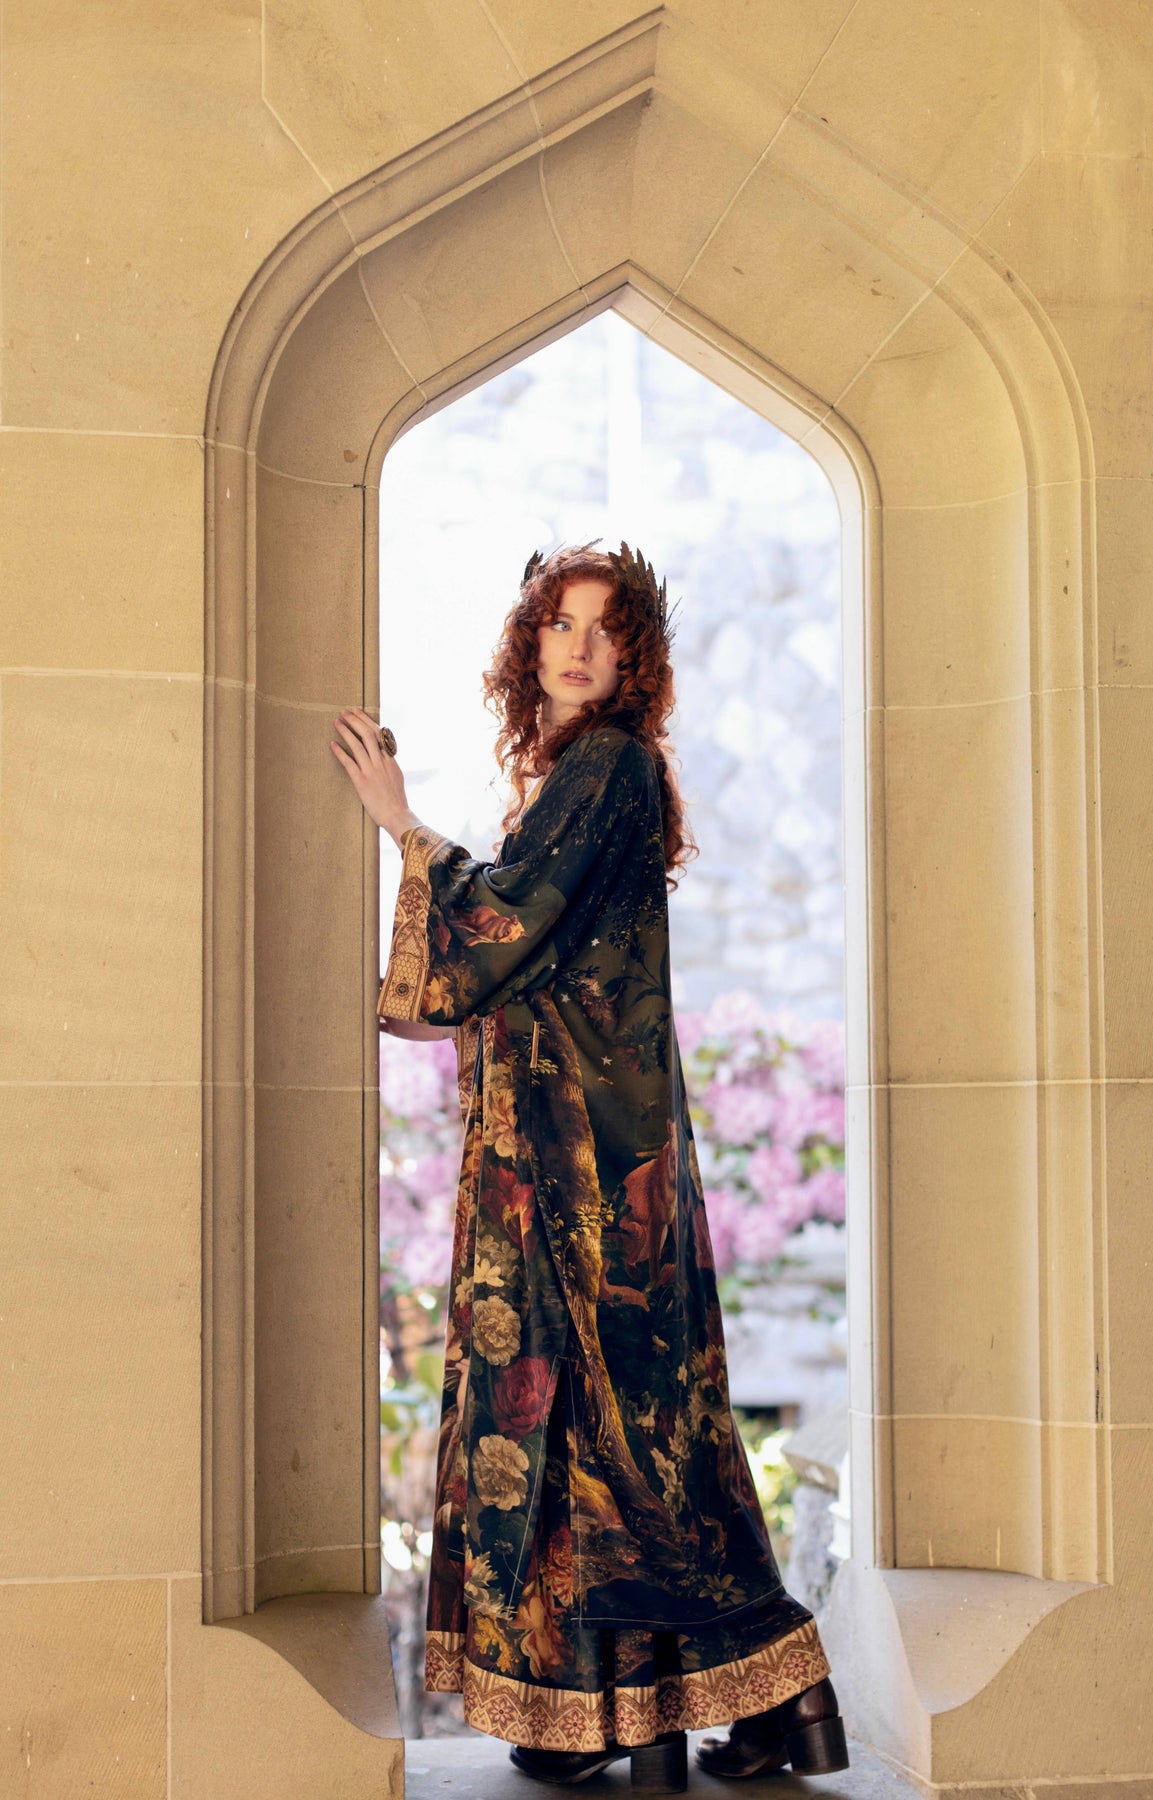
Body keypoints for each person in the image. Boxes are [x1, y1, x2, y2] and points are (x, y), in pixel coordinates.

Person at [331, 541, 849, 1790]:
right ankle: (636, 1711)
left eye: (604, 629)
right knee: (611, 1432)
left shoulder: (608, 765)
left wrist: (401, 825)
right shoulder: (581, 774)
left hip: (586, 1177)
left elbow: (505, 926)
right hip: (577, 1159)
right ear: (531, 646)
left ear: (635, 658)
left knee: (621, 1432)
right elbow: (527, 954)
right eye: (558, 623)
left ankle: (697, 1705)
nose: (577, 646)